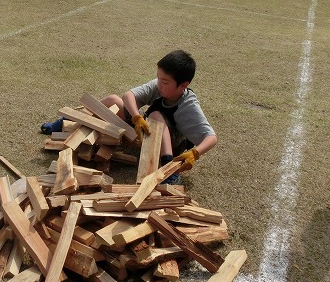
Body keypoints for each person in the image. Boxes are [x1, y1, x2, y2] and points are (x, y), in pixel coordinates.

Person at [41, 50, 217, 184]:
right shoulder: (159, 85)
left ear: (183, 85)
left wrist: (194, 153)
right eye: (158, 78)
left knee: (156, 114)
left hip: (168, 145)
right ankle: (67, 122)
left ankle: (168, 168)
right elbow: (128, 95)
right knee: (112, 100)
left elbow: (211, 137)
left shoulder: (189, 105)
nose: (159, 85)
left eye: (165, 82)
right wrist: (136, 117)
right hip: (146, 129)